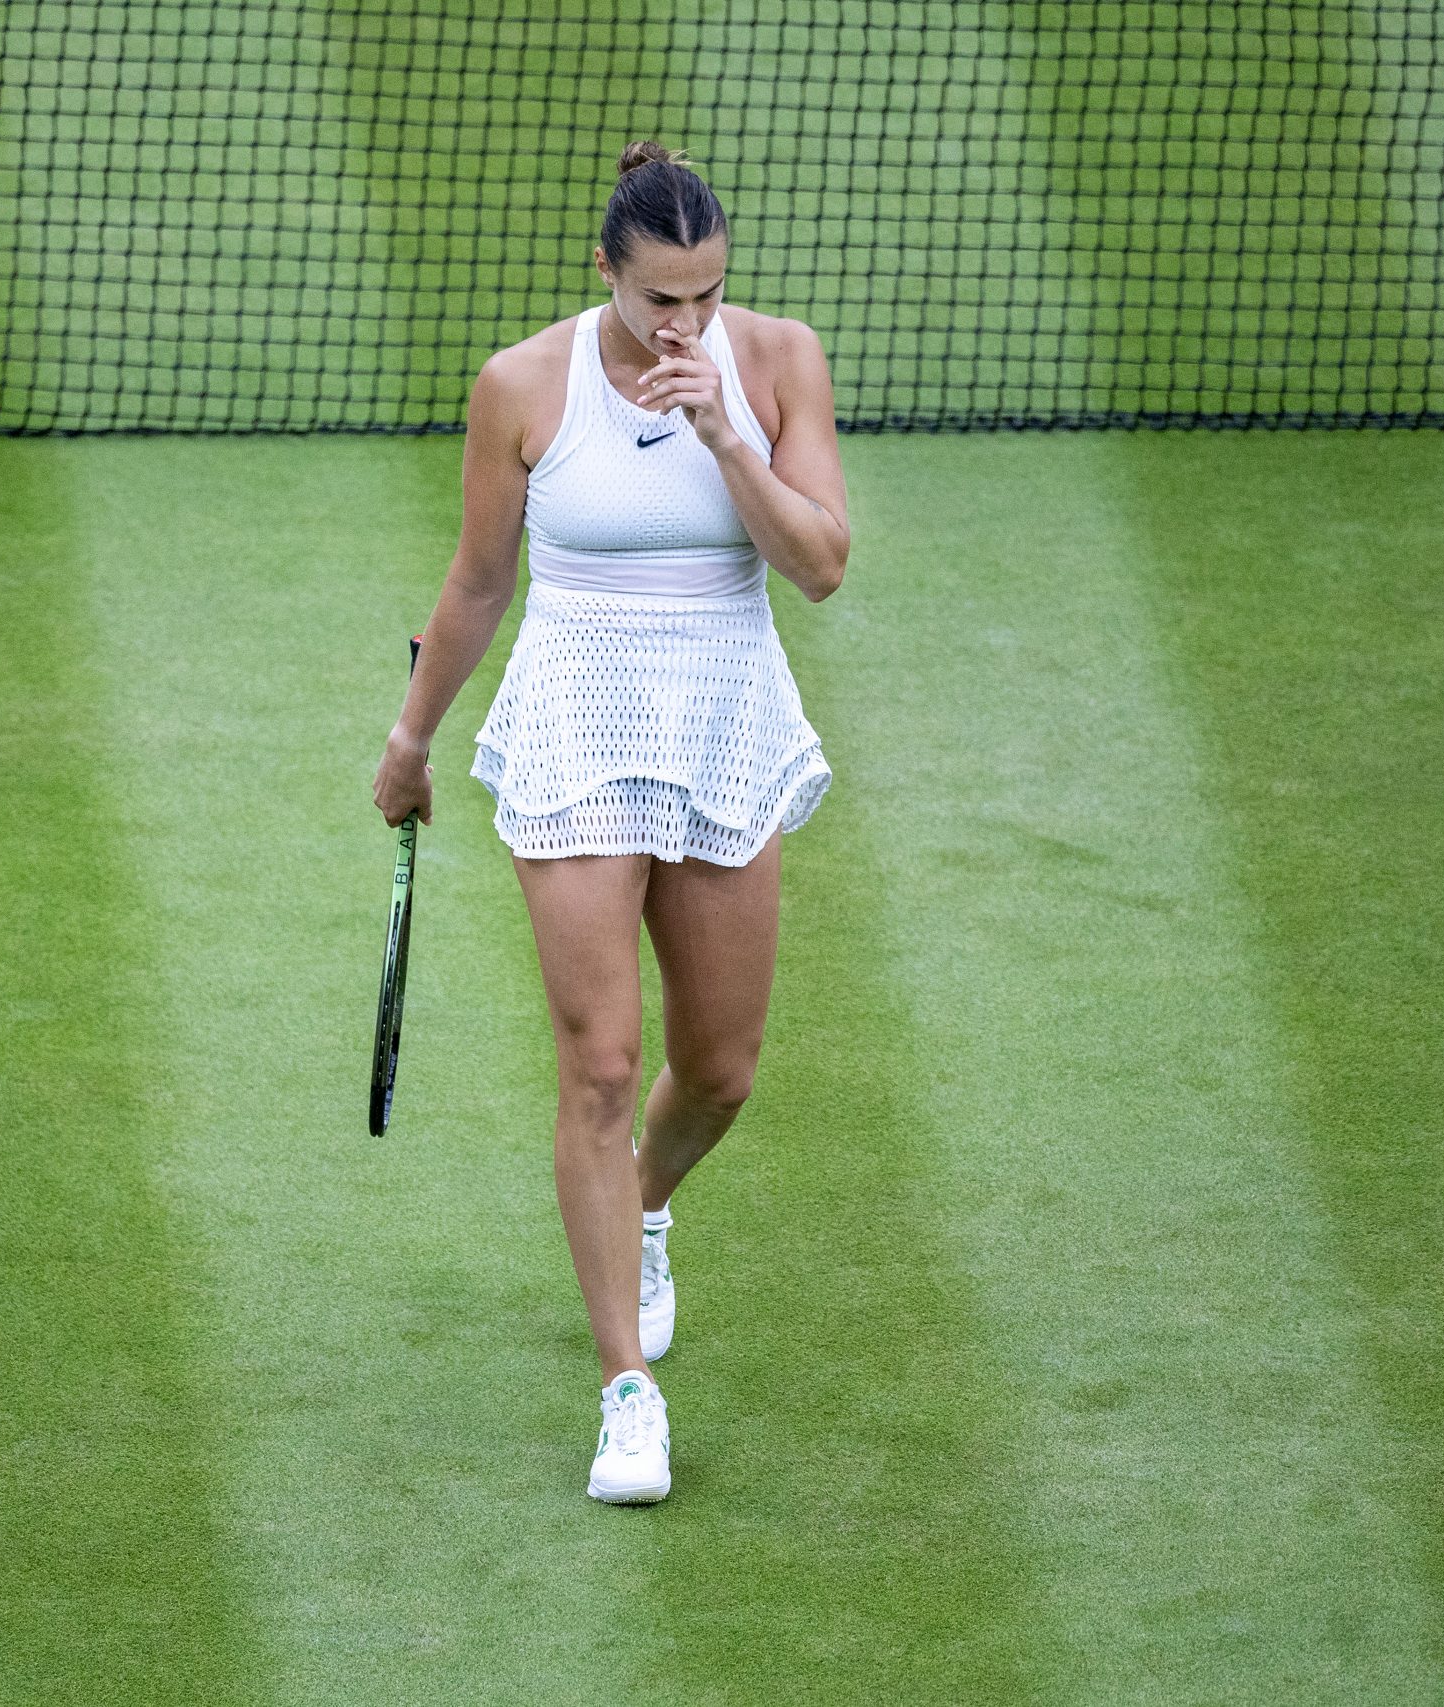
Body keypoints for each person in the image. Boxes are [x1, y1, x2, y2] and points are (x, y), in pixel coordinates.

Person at [371, 140, 848, 1504]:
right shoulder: (524, 385)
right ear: (607, 275)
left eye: (705, 296)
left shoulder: (777, 365)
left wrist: (722, 431)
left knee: (720, 1069)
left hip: (723, 717)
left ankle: (644, 1202)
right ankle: (623, 1392)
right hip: (579, 721)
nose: (685, 324)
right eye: (660, 302)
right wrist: (411, 740)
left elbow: (818, 565)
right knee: (597, 1058)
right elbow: (475, 586)